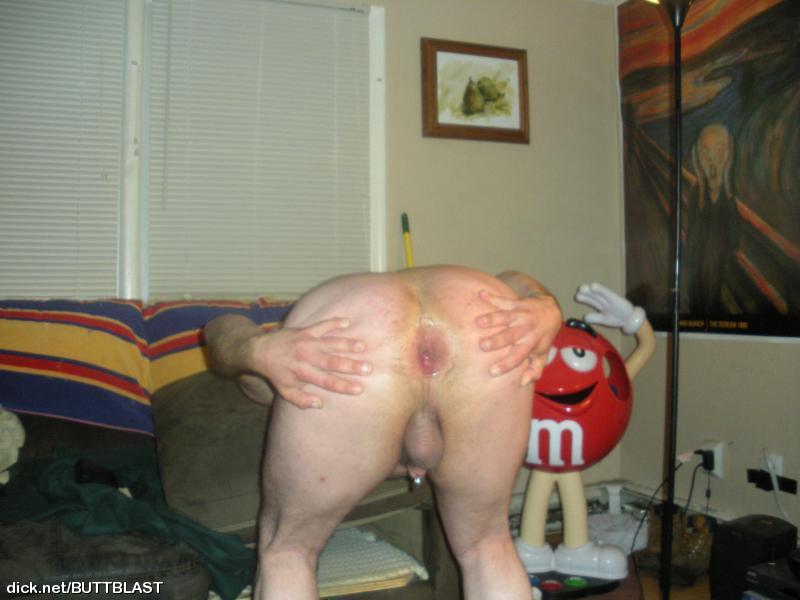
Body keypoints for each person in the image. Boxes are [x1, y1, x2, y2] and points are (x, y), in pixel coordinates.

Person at [204, 265, 562, 600]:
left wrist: (254, 347)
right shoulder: (283, 365)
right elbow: (515, 280)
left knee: (288, 551)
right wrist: (544, 303)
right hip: (474, 320)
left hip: (357, 324)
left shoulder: (294, 351)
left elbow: (220, 326)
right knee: (488, 544)